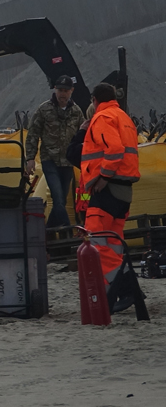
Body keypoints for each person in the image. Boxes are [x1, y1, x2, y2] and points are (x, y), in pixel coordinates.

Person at [79, 81, 147, 318]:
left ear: (95, 100)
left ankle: (126, 287)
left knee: (96, 240)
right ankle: (127, 291)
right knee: (114, 242)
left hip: (105, 189)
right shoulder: (124, 118)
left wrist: (103, 178)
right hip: (123, 191)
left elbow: (114, 150)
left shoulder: (102, 118)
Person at [24, 75, 84, 230]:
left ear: (72, 91)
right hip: (49, 159)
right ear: (55, 90)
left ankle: (48, 231)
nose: (62, 94)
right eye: (59, 90)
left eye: (65, 90)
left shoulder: (76, 112)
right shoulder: (44, 110)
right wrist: (30, 158)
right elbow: (33, 134)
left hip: (68, 162)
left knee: (61, 201)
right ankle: (69, 230)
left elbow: (82, 136)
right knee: (57, 198)